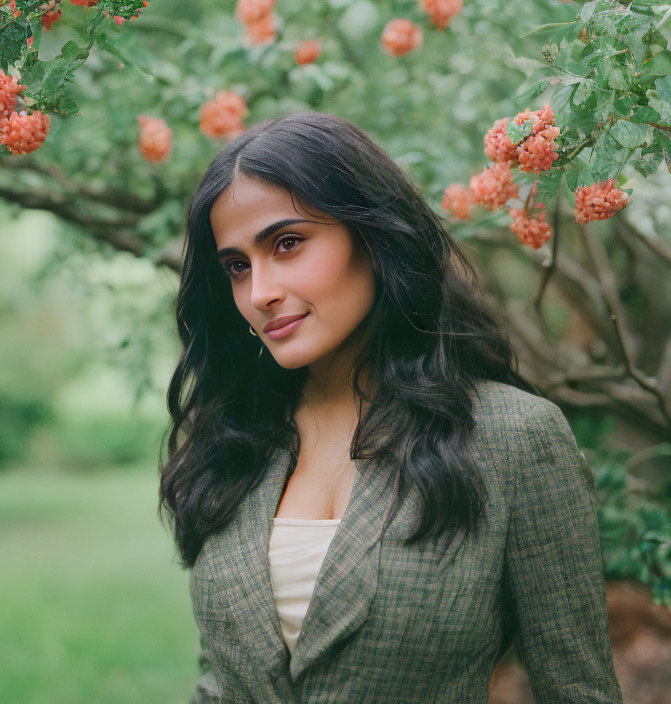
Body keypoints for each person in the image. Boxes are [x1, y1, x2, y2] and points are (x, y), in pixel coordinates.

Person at [157, 110, 623, 703]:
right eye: (237, 266)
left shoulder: (511, 437)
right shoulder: (233, 443)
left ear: (373, 236)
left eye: (288, 243)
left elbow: (578, 691)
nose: (260, 292)